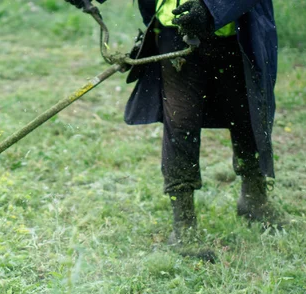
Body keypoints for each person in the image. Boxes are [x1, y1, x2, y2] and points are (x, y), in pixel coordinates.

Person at [64, 0, 282, 249]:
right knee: (181, 120)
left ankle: (254, 198)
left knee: (247, 114)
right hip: (174, 28)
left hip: (238, 28)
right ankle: (184, 225)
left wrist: (213, 9)